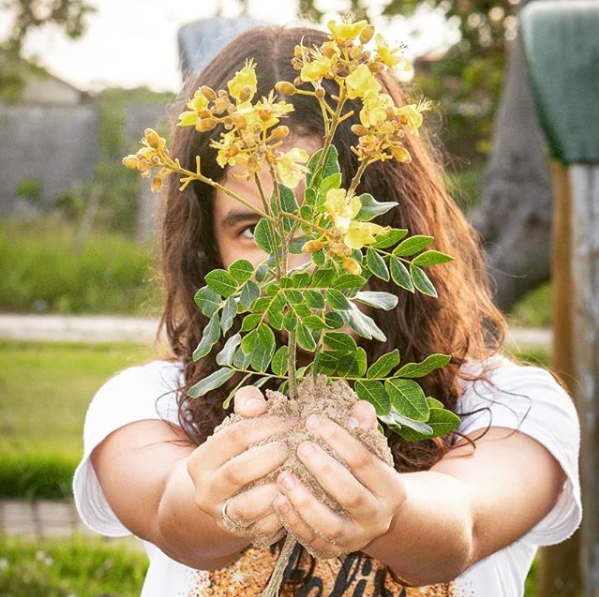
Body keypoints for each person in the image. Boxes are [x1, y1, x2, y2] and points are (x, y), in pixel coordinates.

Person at [73, 23, 582, 597]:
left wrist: (387, 513)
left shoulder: (511, 408)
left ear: (390, 220)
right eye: (251, 229)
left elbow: (460, 527)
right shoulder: (148, 405)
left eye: (320, 221)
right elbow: (175, 520)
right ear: (207, 248)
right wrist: (212, 499)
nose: (296, 264)